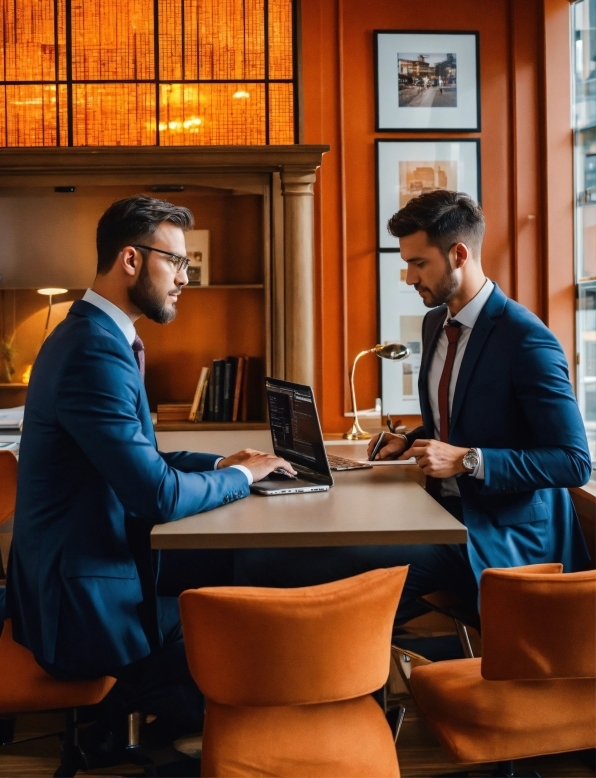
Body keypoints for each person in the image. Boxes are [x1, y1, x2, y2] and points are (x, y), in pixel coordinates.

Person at [6, 195, 294, 752]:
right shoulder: (93, 349)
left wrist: (224, 464)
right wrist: (245, 480)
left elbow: (143, 460)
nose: (186, 278)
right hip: (79, 608)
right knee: (244, 628)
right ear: (131, 260)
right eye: (178, 262)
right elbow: (157, 494)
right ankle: (143, 734)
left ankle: (141, 727)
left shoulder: (95, 336)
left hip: (80, 578)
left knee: (232, 589)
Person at [235, 190, 591, 623]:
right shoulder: (435, 322)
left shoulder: (526, 339)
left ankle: (340, 673)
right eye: (407, 263)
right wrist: (409, 439)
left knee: (301, 571)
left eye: (418, 263)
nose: (408, 277)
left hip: (497, 536)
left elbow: (573, 462)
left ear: (459, 254)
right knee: (303, 555)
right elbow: (463, 418)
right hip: (439, 513)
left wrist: (468, 460)